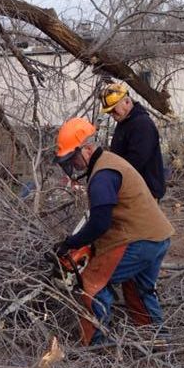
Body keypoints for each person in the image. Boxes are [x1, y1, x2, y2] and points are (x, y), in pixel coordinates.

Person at [51, 117, 174, 346]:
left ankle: (97, 346)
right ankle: (157, 341)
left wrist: (70, 243)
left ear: (87, 149)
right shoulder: (109, 162)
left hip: (140, 240)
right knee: (140, 289)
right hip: (158, 236)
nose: (73, 166)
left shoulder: (103, 175)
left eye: (73, 159)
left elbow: (100, 223)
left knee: (92, 283)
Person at [99, 81, 167, 200]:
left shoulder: (142, 125)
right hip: (133, 190)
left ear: (127, 102)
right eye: (109, 112)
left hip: (145, 193)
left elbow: (135, 161)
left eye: (114, 110)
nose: (112, 115)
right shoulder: (125, 122)